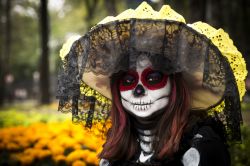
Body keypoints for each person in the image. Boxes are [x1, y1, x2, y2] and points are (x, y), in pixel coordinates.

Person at [57, 2, 247, 166]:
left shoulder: (200, 147)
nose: (138, 91)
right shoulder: (119, 150)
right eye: (128, 81)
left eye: (153, 78)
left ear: (175, 84)